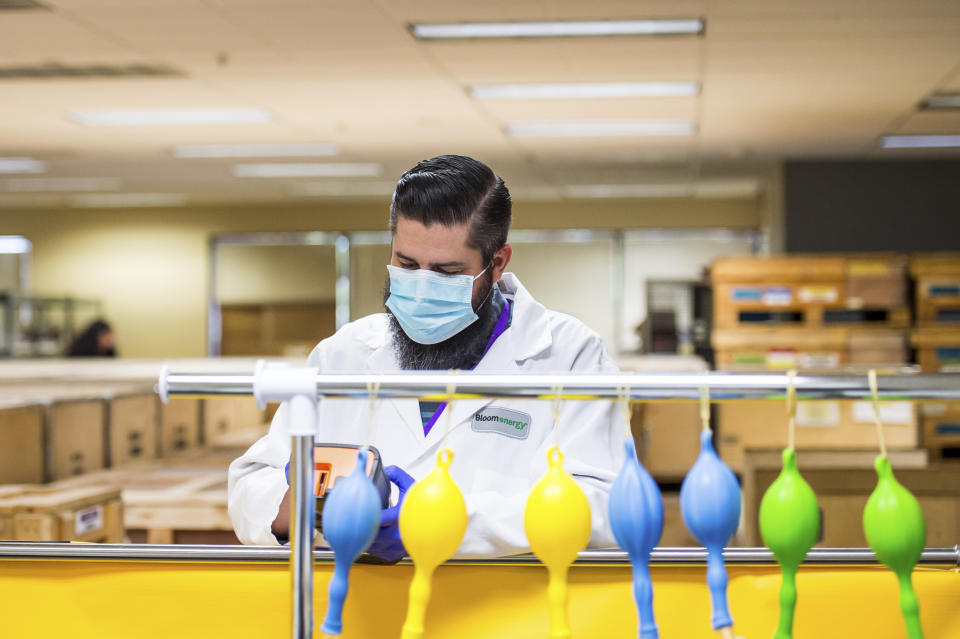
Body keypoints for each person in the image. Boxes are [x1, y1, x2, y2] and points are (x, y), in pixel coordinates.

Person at [228, 155, 623, 559]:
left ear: (498, 262)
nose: (420, 288)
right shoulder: (342, 353)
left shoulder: (569, 355)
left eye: (446, 272)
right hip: (360, 608)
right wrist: (298, 506)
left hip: (501, 611)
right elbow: (254, 481)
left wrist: (445, 523)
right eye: (406, 263)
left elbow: (602, 507)